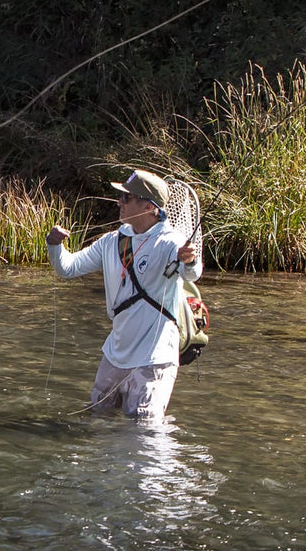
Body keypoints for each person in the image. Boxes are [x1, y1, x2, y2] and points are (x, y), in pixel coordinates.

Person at [46, 169, 202, 421]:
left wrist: (190, 260)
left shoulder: (170, 242)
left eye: (126, 198)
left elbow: (191, 273)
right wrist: (54, 245)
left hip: (154, 359)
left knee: (144, 433)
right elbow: (67, 269)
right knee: (98, 418)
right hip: (115, 355)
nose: (119, 202)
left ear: (148, 206)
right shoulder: (111, 241)